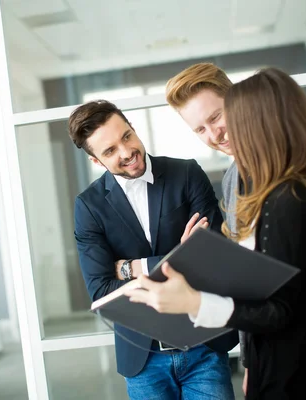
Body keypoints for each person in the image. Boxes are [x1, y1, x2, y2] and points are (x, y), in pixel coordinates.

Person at [126, 68, 306, 399]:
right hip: (278, 347)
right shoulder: (234, 180)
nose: (215, 134)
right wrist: (252, 360)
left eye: (217, 116)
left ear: (240, 106)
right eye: (200, 129)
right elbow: (259, 282)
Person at [68, 100, 238, 399]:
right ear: (96, 161)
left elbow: (214, 258)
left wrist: (129, 267)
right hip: (142, 357)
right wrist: (181, 256)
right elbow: (101, 290)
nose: (126, 152)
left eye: (126, 137)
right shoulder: (88, 207)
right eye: (109, 151)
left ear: (133, 127)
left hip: (203, 347)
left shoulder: (186, 174)